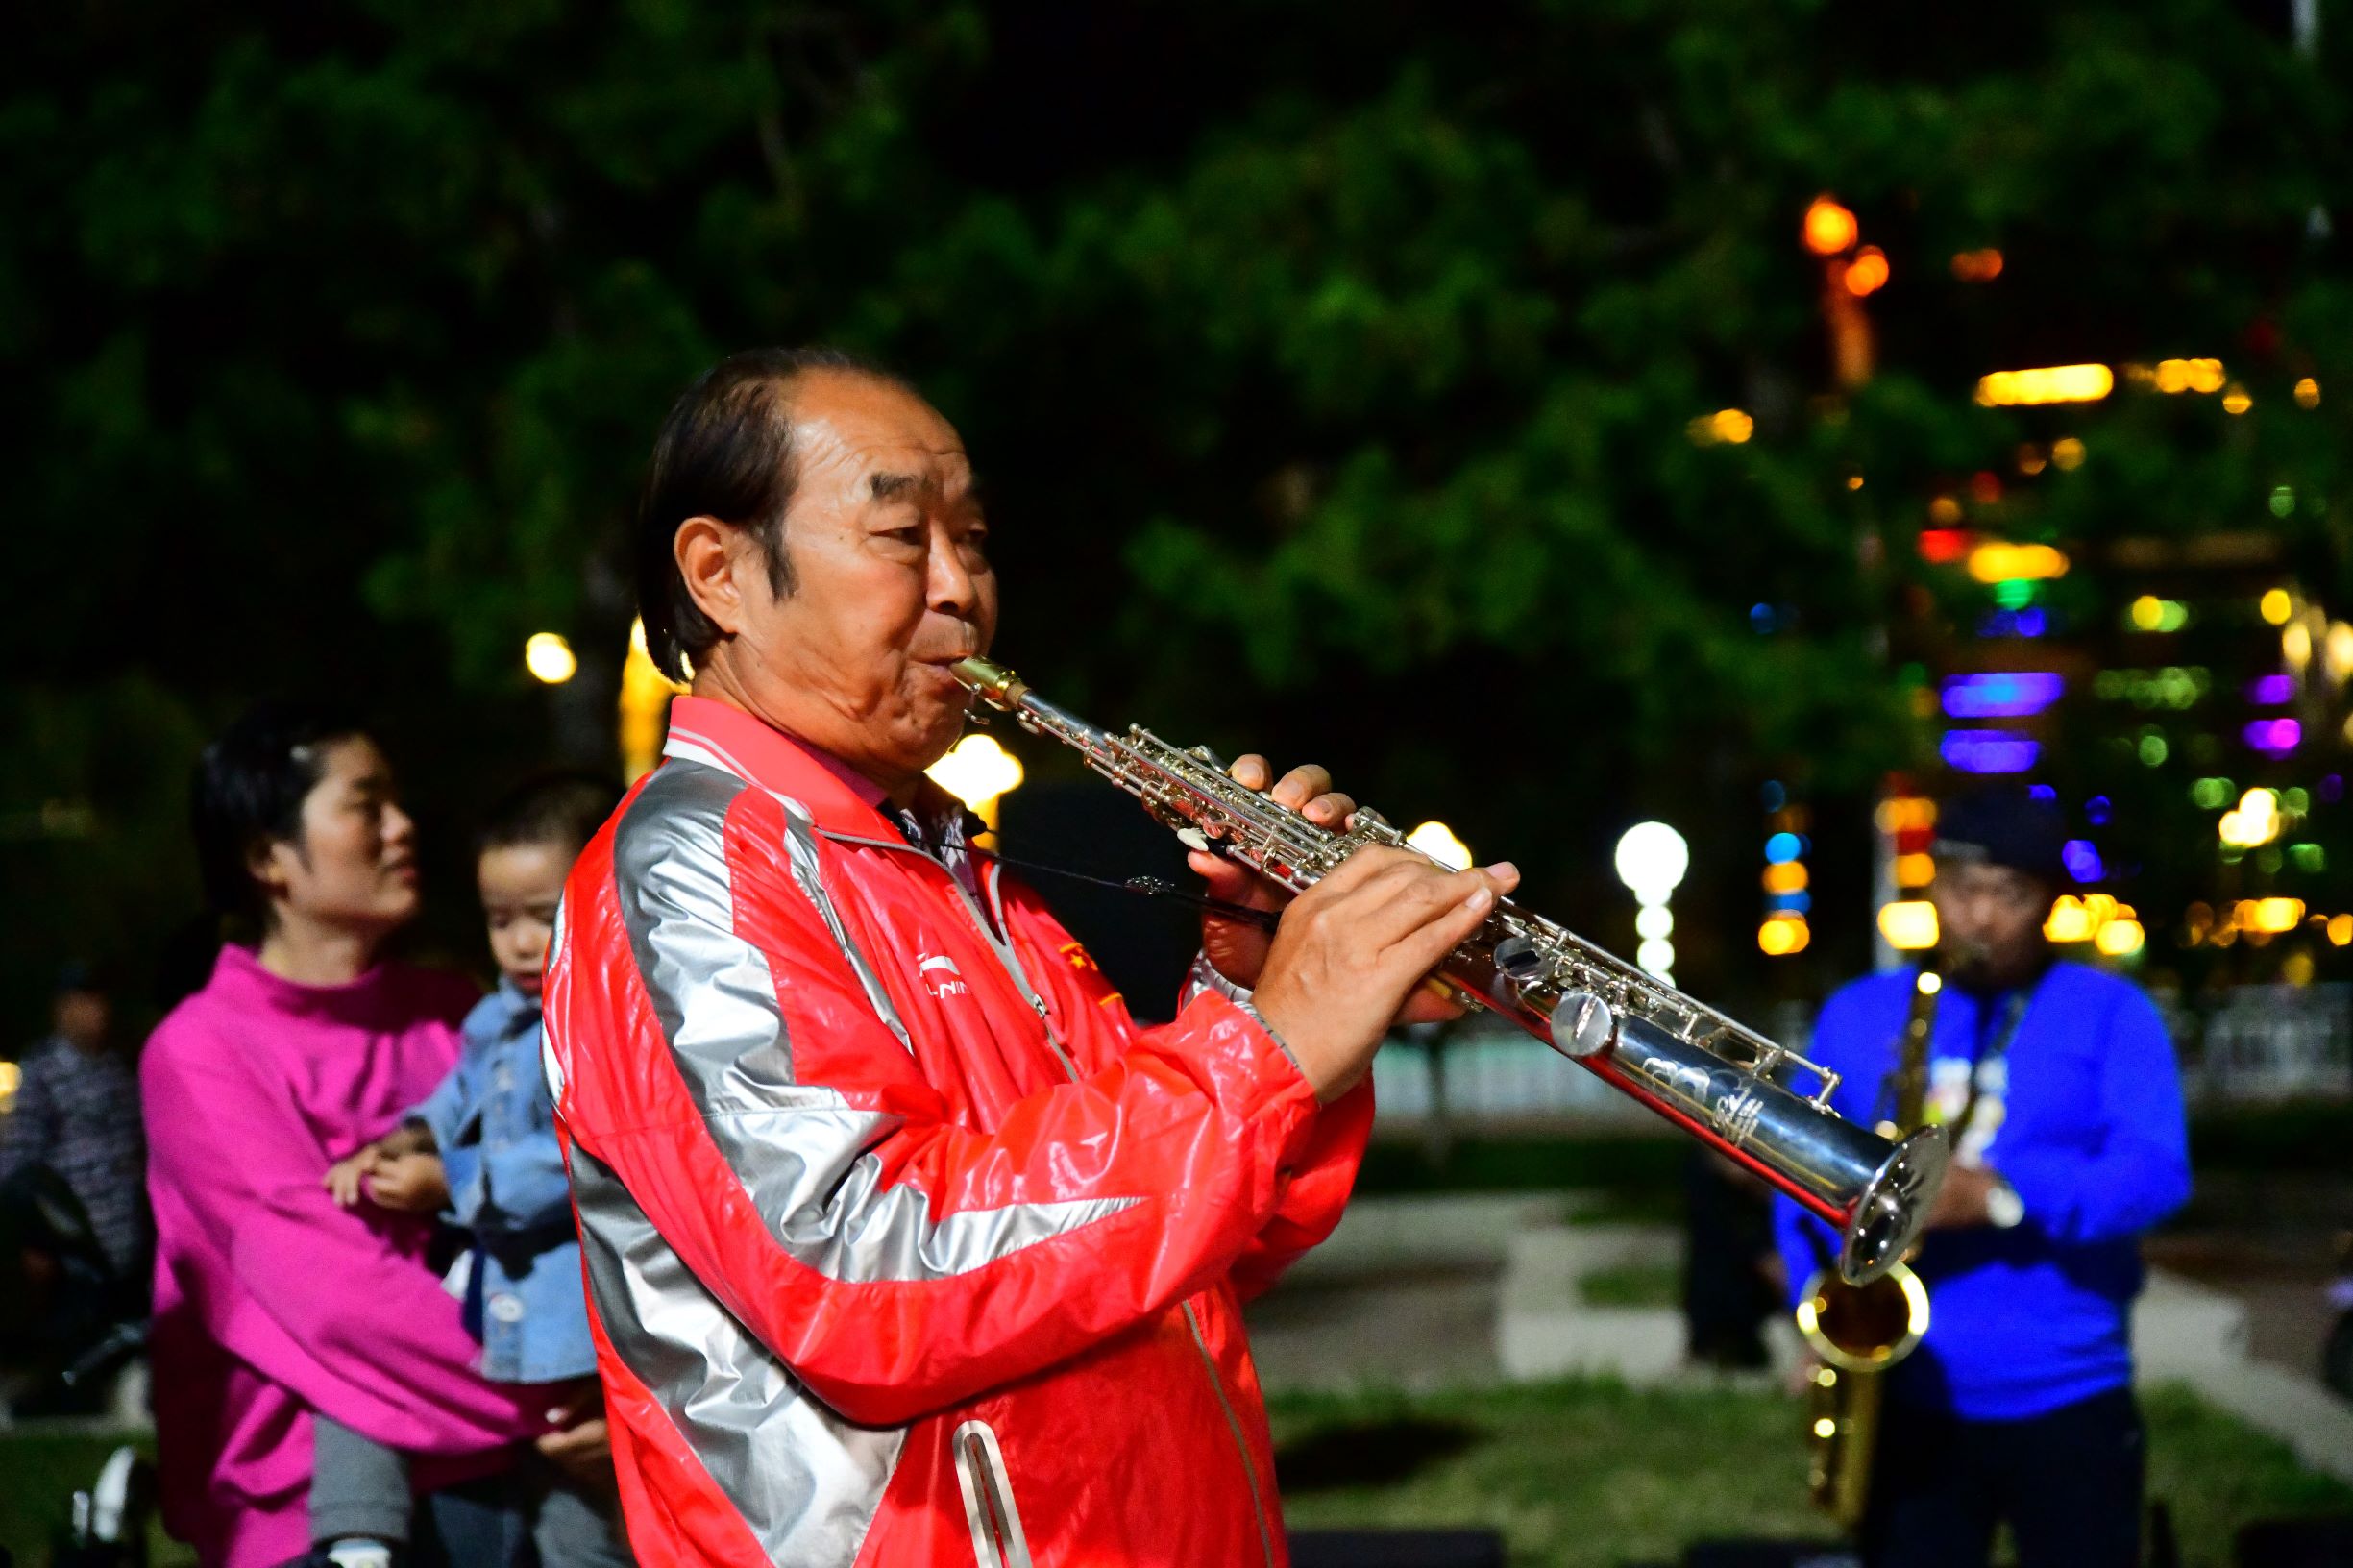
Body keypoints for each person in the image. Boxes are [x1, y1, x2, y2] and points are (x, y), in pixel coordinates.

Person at [544, 348, 1517, 1567]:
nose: (962, 590)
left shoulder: (958, 865)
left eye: (978, 541)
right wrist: (1269, 1048)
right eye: (902, 536)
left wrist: (1269, 994)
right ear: (720, 572)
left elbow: (1185, 1241)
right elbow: (861, 1268)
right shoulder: (691, 870)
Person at [142, 702, 573, 1568]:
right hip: (307, 1510)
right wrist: (572, 1396)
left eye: (397, 802)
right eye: (364, 805)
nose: (402, 827)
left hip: (511, 1482)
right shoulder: (201, 1052)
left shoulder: (465, 1015)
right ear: (268, 857)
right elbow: (337, 1299)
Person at [1774, 785, 2193, 1568]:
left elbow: (2155, 1172)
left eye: (2011, 895)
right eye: (1963, 889)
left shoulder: (2111, 1013)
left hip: (2069, 1390)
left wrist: (2002, 1196)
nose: (1982, 918)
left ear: (2048, 904)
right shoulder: (1860, 1015)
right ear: (1932, 886)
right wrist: (1816, 1304)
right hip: (1907, 1393)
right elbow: (1795, 1172)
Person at [324, 773, 633, 1568]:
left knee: (579, 1521)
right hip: (501, 1311)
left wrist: (452, 1184)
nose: (521, 943)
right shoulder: (494, 1017)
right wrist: (402, 1140)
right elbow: (452, 1096)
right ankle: (358, 1542)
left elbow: (580, 1157)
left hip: (573, 1322)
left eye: (543, 916)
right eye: (501, 921)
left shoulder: (605, 1019)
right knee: (361, 1365)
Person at [0, 965, 149, 1411]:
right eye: (84, 1002)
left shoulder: (119, 1071)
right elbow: (18, 1163)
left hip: (125, 1240)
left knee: (118, 1339)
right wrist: (33, 1239)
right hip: (71, 1243)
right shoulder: (42, 1072)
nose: (95, 1013)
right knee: (68, 1344)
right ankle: (39, 1404)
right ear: (63, 1009)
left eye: (100, 1001)